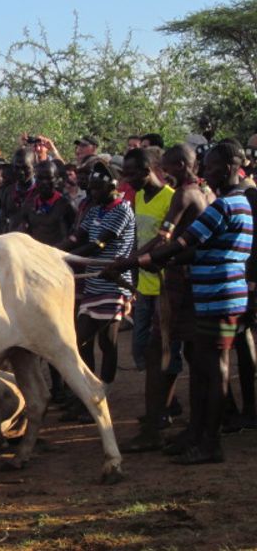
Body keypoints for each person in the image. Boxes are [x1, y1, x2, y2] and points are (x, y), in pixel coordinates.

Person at [108, 142, 252, 464]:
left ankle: (210, 443)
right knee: (203, 368)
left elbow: (179, 244)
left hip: (219, 296)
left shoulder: (224, 205)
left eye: (212, 167)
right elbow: (190, 251)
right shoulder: (237, 202)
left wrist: (136, 261)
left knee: (214, 371)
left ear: (230, 166)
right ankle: (198, 434)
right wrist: (147, 260)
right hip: (216, 295)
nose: (206, 172)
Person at [60, 161, 136, 421]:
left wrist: (63, 258)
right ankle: (89, 394)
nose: (92, 193)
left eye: (96, 188)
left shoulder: (122, 210)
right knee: (84, 342)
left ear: (112, 186)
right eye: (90, 189)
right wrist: (51, 251)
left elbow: (97, 244)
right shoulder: (95, 209)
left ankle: (100, 393)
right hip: (94, 284)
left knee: (104, 342)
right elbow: (78, 237)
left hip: (113, 284)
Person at [122, 147, 175, 372]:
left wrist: (131, 260)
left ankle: (167, 396)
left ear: (146, 171)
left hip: (165, 283)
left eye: (131, 174)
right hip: (144, 282)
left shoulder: (171, 197)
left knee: (164, 342)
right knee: (140, 344)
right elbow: (138, 235)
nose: (127, 180)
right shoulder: (141, 197)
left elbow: (165, 240)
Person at [20, 160, 75, 247]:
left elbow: (75, 235)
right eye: (40, 178)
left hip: (58, 255)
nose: (44, 182)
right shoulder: (29, 204)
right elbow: (24, 232)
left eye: (49, 178)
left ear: (56, 180)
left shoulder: (66, 205)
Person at [1, 148, 36, 232]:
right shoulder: (8, 192)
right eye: (17, 167)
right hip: (12, 241)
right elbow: (4, 219)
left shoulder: (41, 192)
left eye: (25, 168)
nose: (21, 172)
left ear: (34, 167)